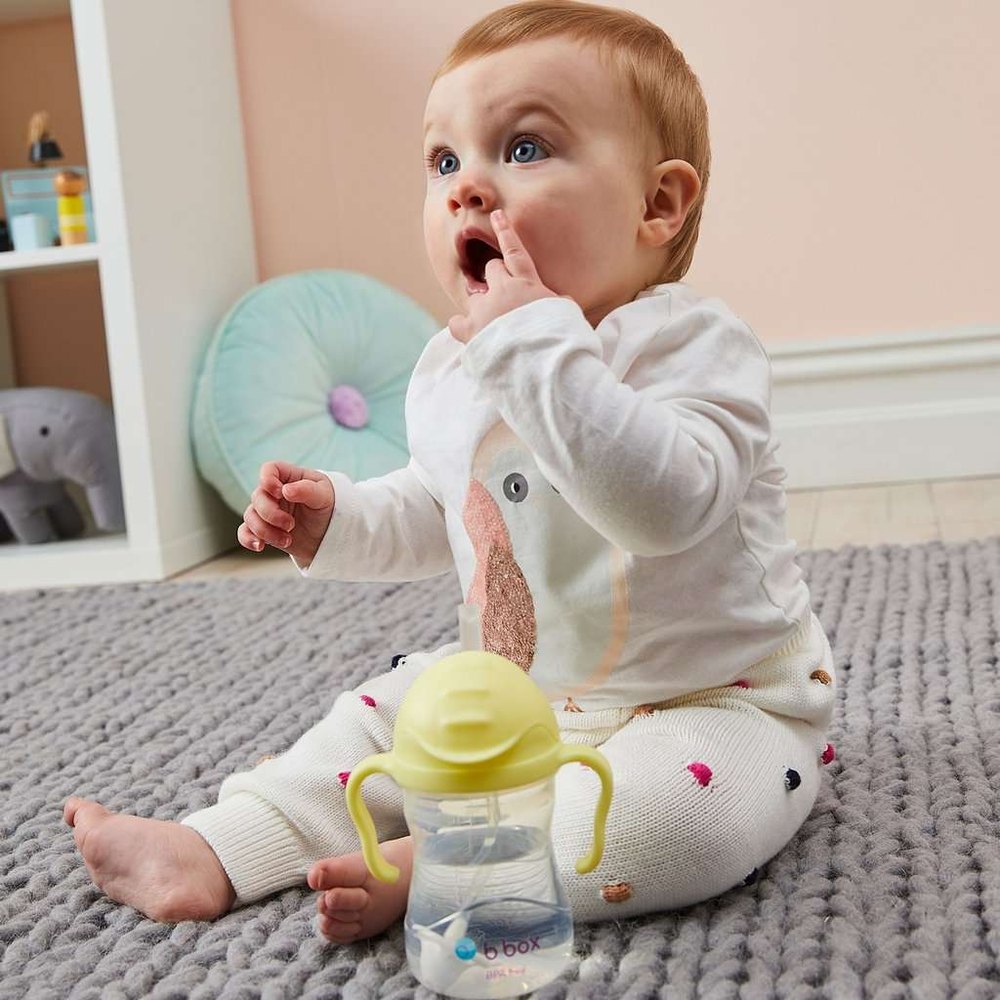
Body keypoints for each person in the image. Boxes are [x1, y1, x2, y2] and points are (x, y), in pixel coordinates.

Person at [65, 0, 836, 944]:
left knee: (682, 819)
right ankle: (220, 846)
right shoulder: (453, 367)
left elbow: (663, 506)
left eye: (523, 150)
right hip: (518, 689)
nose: (468, 188)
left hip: (713, 698)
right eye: (443, 161)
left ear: (657, 205)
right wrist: (336, 518)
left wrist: (535, 345)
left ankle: (455, 862)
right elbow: (444, 507)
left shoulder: (694, 346)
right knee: (378, 718)